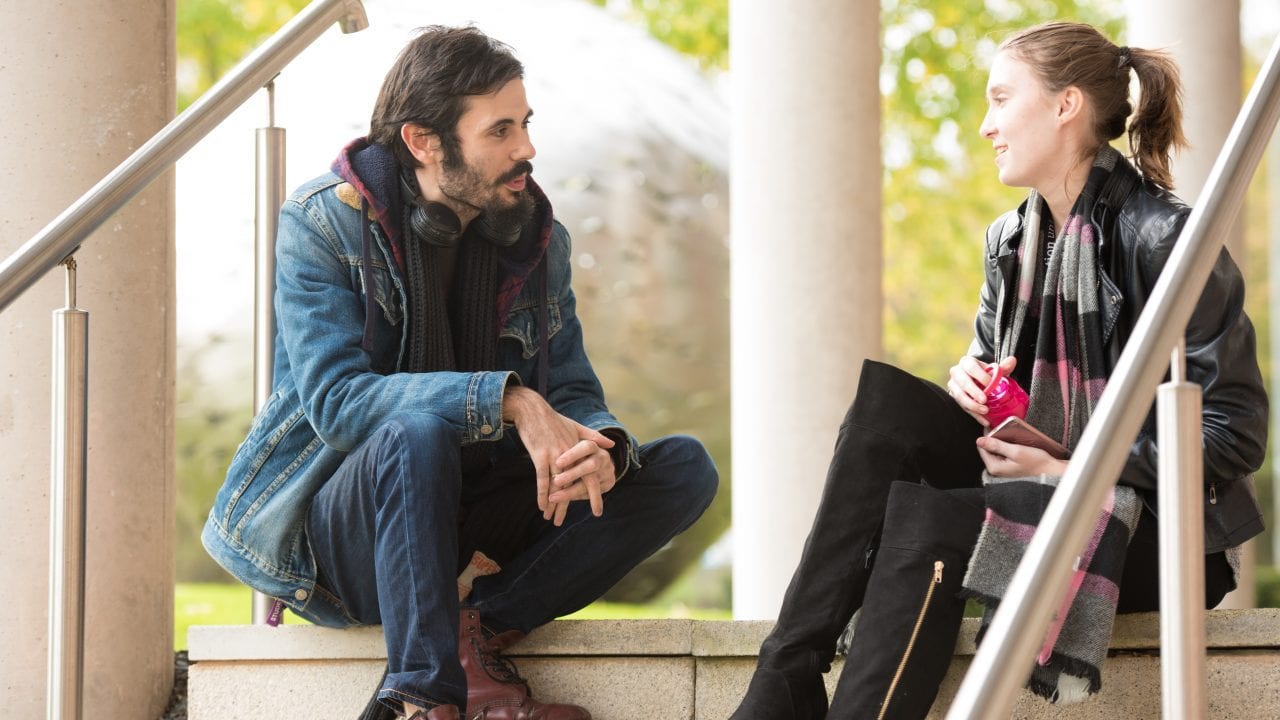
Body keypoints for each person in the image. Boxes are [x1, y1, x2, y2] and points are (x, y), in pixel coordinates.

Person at [731, 21, 1266, 720]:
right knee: (886, 409)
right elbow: (1005, 399)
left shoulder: (1165, 238)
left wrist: (1073, 469)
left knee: (928, 522)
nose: (985, 126)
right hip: (1033, 484)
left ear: (1065, 105)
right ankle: (787, 673)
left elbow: (1234, 435)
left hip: (1149, 531)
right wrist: (976, 389)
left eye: (1001, 99)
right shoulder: (1011, 240)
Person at [201, 26, 718, 720]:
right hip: (358, 529)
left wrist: (597, 447)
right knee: (413, 432)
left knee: (682, 467)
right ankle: (421, 696)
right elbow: (338, 402)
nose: (526, 149)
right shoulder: (322, 223)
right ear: (423, 141)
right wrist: (505, 400)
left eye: (526, 124)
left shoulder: (539, 240)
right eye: (500, 130)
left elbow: (570, 389)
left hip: (482, 520)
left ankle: (479, 631)